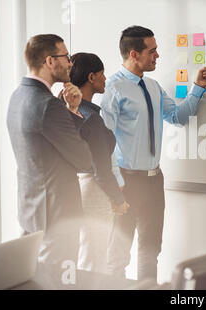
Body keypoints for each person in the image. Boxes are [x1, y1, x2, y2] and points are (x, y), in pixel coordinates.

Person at [101, 26, 206, 280]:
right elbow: (103, 142)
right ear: (134, 54)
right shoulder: (113, 89)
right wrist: (116, 183)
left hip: (154, 180)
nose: (157, 55)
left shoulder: (152, 86)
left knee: (151, 250)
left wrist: (198, 87)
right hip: (126, 182)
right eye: (152, 51)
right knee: (118, 254)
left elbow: (177, 117)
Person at [7, 34, 92, 265]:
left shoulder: (17, 96)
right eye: (66, 57)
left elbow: (45, 149)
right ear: (50, 61)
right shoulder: (48, 105)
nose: (70, 63)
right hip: (57, 217)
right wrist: (73, 113)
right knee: (60, 282)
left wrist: (70, 109)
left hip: (31, 211)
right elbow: (84, 159)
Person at [67, 52, 130, 273]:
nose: (106, 79)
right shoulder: (90, 117)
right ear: (91, 77)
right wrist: (118, 199)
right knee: (94, 258)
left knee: (87, 254)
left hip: (80, 186)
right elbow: (101, 169)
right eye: (102, 75)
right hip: (94, 189)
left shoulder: (71, 111)